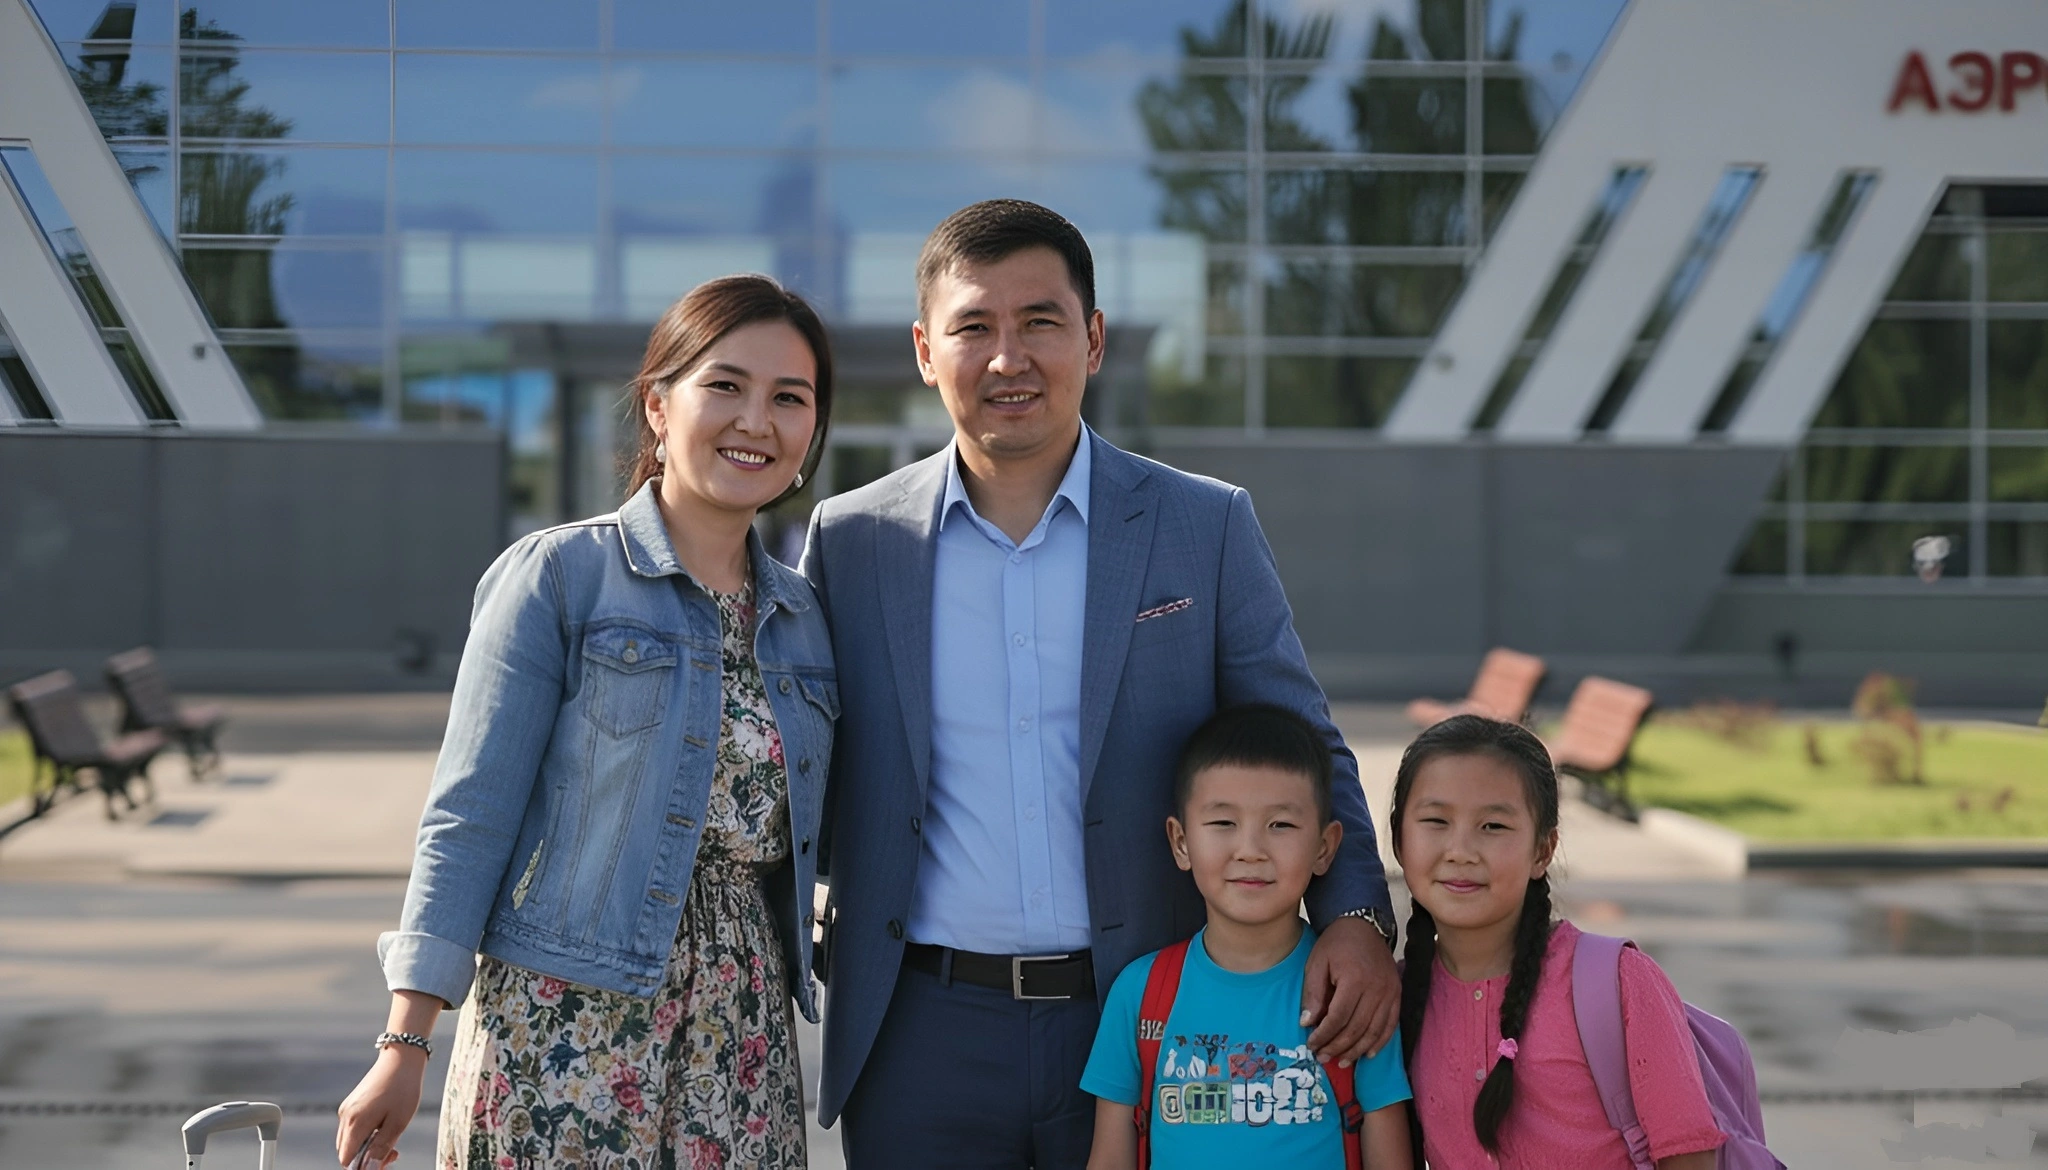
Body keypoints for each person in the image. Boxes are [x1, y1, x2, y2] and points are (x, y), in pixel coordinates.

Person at [801, 199, 1402, 1168]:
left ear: (1092, 337)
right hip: (921, 1032)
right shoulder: (854, 539)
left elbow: (1300, 739)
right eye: (973, 328)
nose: (1009, 358)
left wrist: (1358, 918)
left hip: (1149, 1013)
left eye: (1039, 322)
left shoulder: (1201, 526)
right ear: (923, 348)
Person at [334, 275, 838, 1170]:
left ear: (809, 437)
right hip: (565, 1024)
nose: (755, 420)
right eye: (724, 385)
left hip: (742, 1034)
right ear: (658, 405)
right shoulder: (560, 577)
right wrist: (404, 1042)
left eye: (787, 398)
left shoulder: (805, 621)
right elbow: (469, 815)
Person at [1080, 705, 1413, 1169]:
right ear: (1180, 842)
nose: (1251, 850)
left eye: (1280, 825)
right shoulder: (1141, 994)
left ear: (1325, 847)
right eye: (1223, 823)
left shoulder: (1351, 993)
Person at [1391, 714, 1726, 1168]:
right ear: (1398, 841)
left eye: (1493, 826)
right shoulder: (1394, 999)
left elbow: (1690, 1156)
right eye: (1435, 820)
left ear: (1543, 851)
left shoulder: (1617, 984)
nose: (1461, 850)